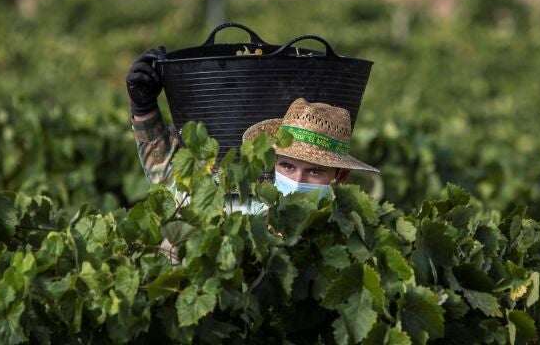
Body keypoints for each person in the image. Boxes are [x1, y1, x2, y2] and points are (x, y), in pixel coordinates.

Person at [127, 48, 379, 262]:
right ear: (274, 163)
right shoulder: (242, 206)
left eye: (315, 171)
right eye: (288, 166)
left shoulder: (348, 237)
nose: (297, 180)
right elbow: (170, 178)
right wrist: (144, 107)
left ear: (341, 178)